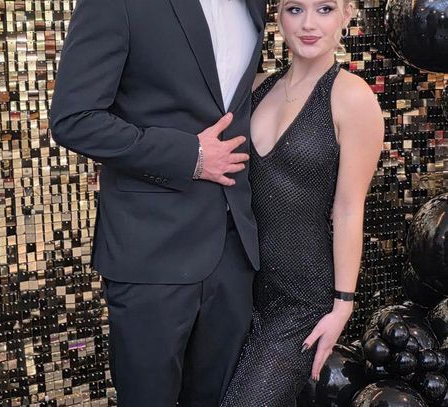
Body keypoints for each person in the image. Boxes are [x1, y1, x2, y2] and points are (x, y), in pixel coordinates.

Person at [49, 0, 267, 406]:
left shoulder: (254, 4)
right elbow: (74, 118)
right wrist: (188, 156)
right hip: (151, 251)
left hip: (234, 251)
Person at [220, 0, 384, 404]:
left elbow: (348, 209)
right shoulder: (255, 89)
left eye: (325, 9)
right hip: (240, 290)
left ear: (347, 14)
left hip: (301, 300)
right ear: (278, 16)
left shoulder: (352, 97)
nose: (309, 24)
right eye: (295, 9)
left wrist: (342, 306)